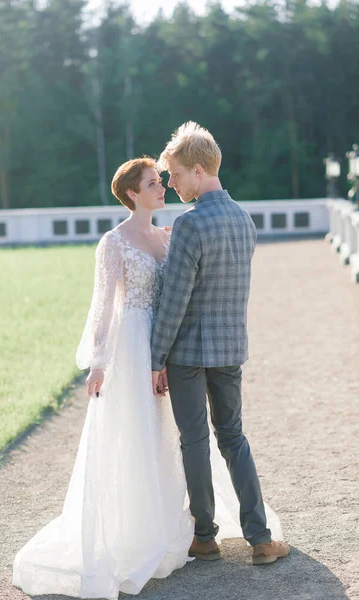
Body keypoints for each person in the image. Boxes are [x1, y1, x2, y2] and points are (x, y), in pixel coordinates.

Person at [12, 155, 283, 600]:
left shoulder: (168, 235)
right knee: (139, 433)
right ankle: (140, 528)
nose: (163, 188)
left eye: (164, 180)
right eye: (154, 183)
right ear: (133, 193)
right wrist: (98, 361)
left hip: (169, 347)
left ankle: (181, 524)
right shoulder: (114, 243)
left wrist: (164, 354)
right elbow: (102, 306)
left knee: (172, 435)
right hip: (133, 346)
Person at [151, 122, 290, 565]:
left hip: (188, 353)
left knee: (194, 441)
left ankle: (205, 537)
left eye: (174, 175)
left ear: (197, 170)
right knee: (233, 437)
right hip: (230, 349)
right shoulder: (244, 220)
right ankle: (261, 538)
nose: (171, 184)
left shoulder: (189, 225)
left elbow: (174, 302)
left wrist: (156, 358)